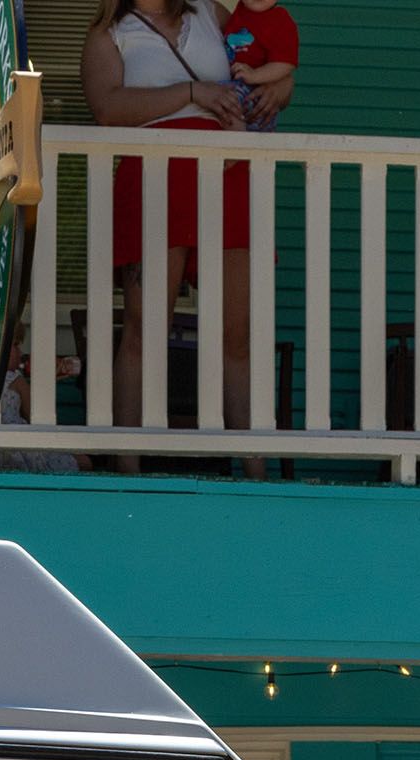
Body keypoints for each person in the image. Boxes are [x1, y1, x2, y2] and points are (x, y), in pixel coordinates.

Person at [79, 0, 252, 435]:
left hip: (224, 170)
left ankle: (254, 469)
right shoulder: (108, 31)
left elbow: (265, 64)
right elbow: (107, 108)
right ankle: (128, 465)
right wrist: (193, 93)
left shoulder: (210, 13)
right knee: (146, 329)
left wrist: (271, 93)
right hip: (154, 174)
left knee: (237, 333)